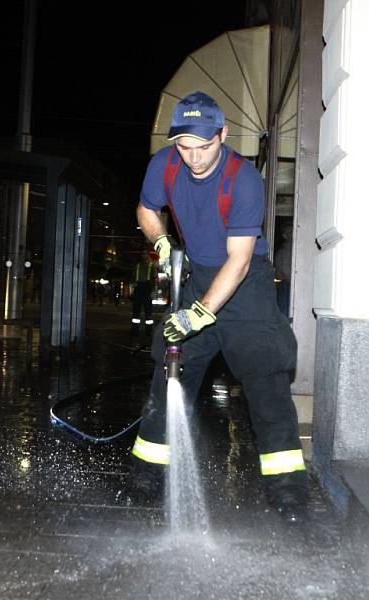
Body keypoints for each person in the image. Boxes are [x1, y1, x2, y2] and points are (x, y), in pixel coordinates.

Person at [129, 91, 307, 522]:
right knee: (172, 370)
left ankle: (287, 488)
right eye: (185, 147)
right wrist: (163, 242)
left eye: (203, 147)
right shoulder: (165, 164)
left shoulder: (243, 178)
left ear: (223, 135)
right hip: (198, 275)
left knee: (266, 378)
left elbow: (240, 260)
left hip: (246, 284)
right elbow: (146, 209)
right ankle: (148, 473)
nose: (193, 158)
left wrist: (201, 313)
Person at [130, 250, 156, 335]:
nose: (143, 255)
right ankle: (135, 330)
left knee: (148, 311)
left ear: (148, 255)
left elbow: (155, 279)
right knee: (136, 311)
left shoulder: (151, 265)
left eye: (145, 254)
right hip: (138, 288)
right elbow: (133, 277)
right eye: (142, 254)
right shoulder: (137, 265)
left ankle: (148, 331)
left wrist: (153, 291)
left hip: (147, 288)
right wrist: (133, 285)